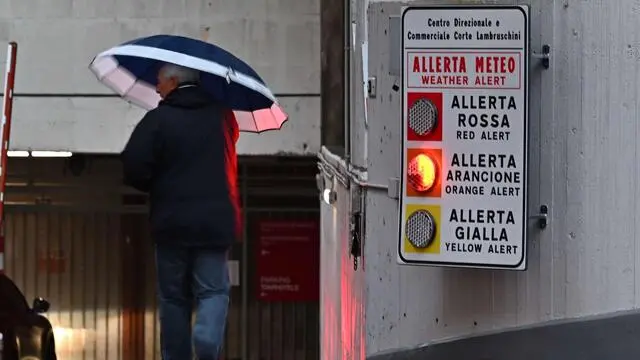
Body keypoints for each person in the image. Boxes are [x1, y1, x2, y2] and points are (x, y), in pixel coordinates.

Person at [121, 62, 240, 360]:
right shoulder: (223, 116)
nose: (157, 87)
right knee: (213, 291)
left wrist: (156, 182)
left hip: (172, 223)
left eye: (160, 82)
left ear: (173, 82)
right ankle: (206, 340)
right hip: (215, 223)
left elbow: (134, 167)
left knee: (174, 297)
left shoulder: (158, 120)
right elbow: (229, 144)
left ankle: (177, 356)